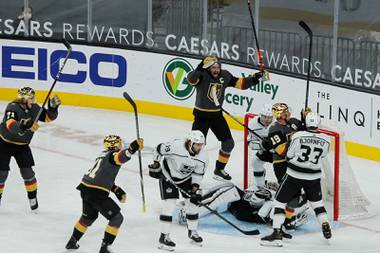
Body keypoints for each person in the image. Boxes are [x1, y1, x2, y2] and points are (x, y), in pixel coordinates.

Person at [186, 55, 268, 181]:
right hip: (201, 117)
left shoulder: (225, 75)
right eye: (213, 67)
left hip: (216, 116)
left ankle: (219, 169)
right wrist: (200, 66)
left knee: (229, 143)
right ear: (208, 68)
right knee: (196, 146)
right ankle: (189, 171)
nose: (216, 70)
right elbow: (190, 79)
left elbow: (241, 84)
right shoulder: (201, 75)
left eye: (217, 67)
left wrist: (255, 77)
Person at [260, 113, 332, 247]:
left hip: (294, 175)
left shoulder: (297, 136)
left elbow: (289, 154)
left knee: (279, 203)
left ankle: (276, 234)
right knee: (318, 205)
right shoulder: (327, 139)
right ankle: (324, 223)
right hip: (314, 177)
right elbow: (323, 155)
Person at [65, 135, 143, 253]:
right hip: (96, 192)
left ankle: (72, 241)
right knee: (117, 218)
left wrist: (115, 189)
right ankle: (105, 248)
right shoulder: (112, 155)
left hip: (85, 188)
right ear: (117, 145)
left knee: (88, 217)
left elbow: (102, 176)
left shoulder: (103, 155)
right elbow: (120, 157)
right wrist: (132, 149)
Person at [0, 87, 61, 211]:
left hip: (22, 146)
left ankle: (33, 199)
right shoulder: (12, 107)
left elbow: (48, 118)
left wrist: (53, 109)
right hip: (4, 144)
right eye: (31, 98)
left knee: (28, 173)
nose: (33, 101)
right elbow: (10, 124)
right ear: (23, 99)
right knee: (2, 174)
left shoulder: (34, 108)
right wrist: (23, 124)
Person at [148, 130, 208, 251]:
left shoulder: (203, 157)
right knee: (169, 204)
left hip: (186, 179)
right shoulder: (175, 147)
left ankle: (192, 232)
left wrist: (194, 190)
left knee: (192, 204)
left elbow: (197, 175)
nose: (199, 147)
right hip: (167, 176)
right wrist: (155, 164)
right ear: (189, 142)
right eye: (197, 144)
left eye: (201, 145)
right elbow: (159, 148)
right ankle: (164, 236)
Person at [261, 102, 309, 228]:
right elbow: (282, 151)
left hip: (294, 163)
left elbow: (308, 132)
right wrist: (296, 139)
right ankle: (278, 219)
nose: (288, 113)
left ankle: (285, 220)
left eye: (287, 111)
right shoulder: (274, 129)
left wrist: (306, 119)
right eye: (285, 112)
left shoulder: (293, 122)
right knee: (289, 194)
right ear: (279, 115)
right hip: (281, 164)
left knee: (296, 194)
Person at [247, 103, 273, 190]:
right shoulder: (252, 124)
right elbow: (250, 143)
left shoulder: (277, 123)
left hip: (279, 152)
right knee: (255, 162)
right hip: (265, 150)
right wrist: (262, 145)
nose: (267, 120)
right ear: (260, 115)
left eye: (269, 117)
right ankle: (261, 187)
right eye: (265, 117)